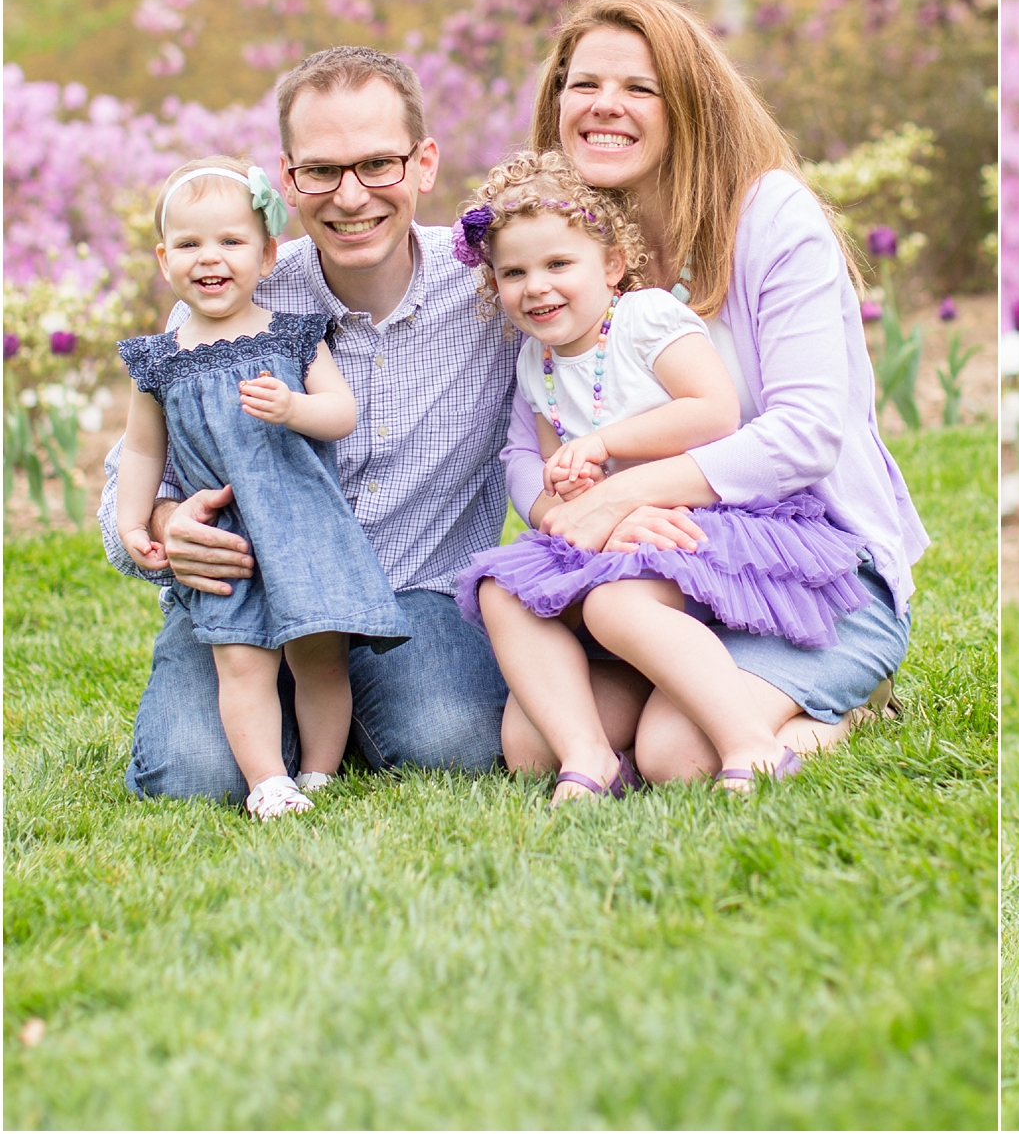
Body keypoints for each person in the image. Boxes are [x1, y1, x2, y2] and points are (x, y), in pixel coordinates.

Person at [490, 0, 929, 787]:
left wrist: (623, 494)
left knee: (675, 756)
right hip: (663, 573)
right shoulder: (569, 241)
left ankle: (846, 705)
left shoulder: (769, 217)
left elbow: (804, 432)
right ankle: (683, 679)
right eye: (583, 84)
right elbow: (530, 438)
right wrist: (567, 511)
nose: (603, 106)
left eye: (638, 88)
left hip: (813, 563)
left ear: (688, 104)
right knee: (534, 745)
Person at [100, 47, 517, 803]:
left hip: (413, 588)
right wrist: (163, 523)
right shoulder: (228, 298)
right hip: (254, 589)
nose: (351, 196)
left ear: (424, 163)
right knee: (190, 776)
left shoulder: (495, 290)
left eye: (378, 164)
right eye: (323, 170)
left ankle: (340, 720)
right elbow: (134, 468)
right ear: (288, 180)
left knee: (453, 743)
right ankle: (287, 724)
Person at [451, 149, 874, 800]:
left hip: (704, 519)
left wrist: (604, 445)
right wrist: (570, 495)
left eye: (559, 263)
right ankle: (587, 754)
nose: (536, 285)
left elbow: (713, 411)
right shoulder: (535, 362)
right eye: (514, 271)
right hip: (625, 538)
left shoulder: (644, 318)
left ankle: (753, 741)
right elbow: (547, 462)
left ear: (611, 264)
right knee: (501, 597)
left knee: (621, 614)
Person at [114, 156, 413, 818]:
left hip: (304, 527)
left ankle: (320, 770)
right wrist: (136, 524)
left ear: (268, 253)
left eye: (230, 241)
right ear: (165, 259)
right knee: (240, 664)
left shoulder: (291, 336)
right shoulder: (161, 358)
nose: (209, 258)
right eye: (189, 244)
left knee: (319, 659)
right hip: (228, 543)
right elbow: (141, 449)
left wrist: (292, 408)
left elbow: (341, 412)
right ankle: (266, 779)